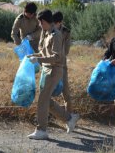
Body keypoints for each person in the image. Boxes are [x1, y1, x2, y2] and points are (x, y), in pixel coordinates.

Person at [27, 9, 79, 140]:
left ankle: (41, 130)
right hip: (46, 69)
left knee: (42, 99)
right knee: (46, 101)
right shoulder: (46, 33)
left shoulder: (56, 35)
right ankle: (69, 118)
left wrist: (38, 59)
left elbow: (56, 57)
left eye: (40, 22)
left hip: (55, 70)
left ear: (44, 21)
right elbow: (44, 52)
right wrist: (34, 55)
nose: (39, 25)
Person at [53, 11, 73, 113]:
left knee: (66, 93)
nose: (54, 25)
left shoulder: (66, 32)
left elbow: (67, 50)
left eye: (56, 23)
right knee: (46, 92)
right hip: (49, 64)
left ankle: (69, 117)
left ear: (60, 22)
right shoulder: (48, 29)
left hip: (61, 65)